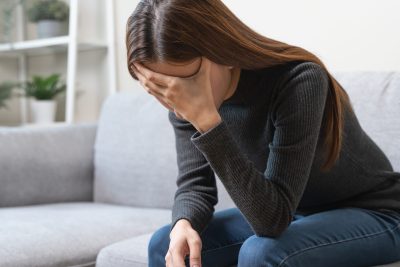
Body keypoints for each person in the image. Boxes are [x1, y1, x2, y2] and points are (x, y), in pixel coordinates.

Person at [125, 1, 400, 266]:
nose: (174, 101)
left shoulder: (299, 81)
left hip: (377, 212)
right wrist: (183, 223)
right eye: (159, 89)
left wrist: (208, 122)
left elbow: (272, 221)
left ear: (222, 53)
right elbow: (195, 186)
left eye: (182, 84)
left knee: (262, 253)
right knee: (165, 243)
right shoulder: (181, 98)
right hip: (297, 212)